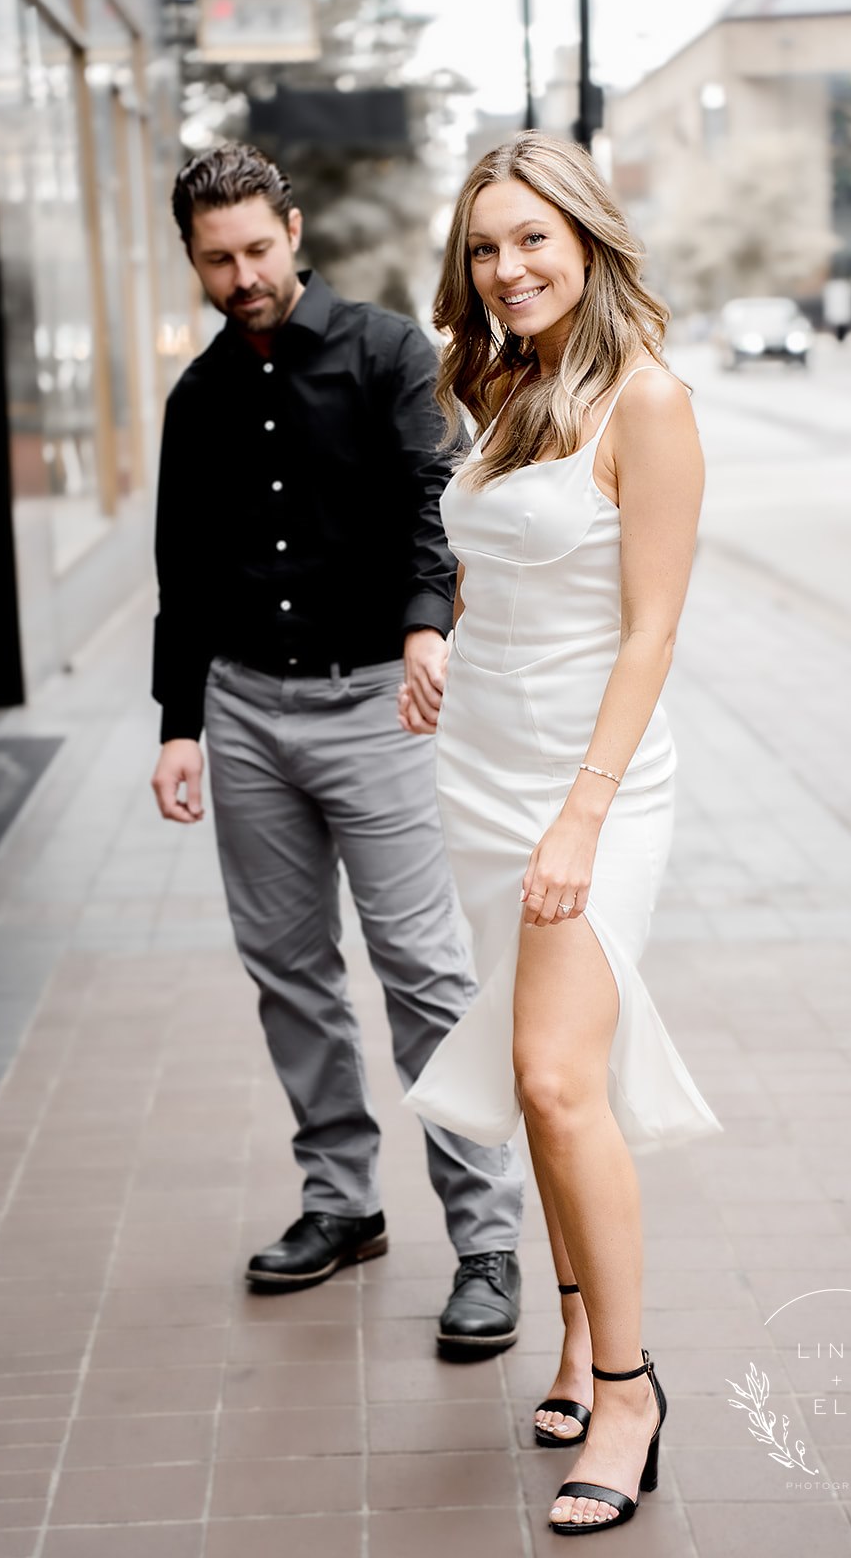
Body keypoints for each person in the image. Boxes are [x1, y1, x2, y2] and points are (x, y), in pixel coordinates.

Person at [150, 143, 523, 1357]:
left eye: (258, 249)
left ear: (292, 233)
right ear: (194, 261)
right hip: (247, 710)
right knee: (289, 969)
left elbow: (432, 500)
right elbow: (183, 576)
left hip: (377, 702)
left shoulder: (382, 352)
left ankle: (484, 1240)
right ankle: (340, 1203)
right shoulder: (196, 400)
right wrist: (178, 727)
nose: (242, 274)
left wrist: (428, 626)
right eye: (218, 259)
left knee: (421, 971)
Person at [399, 133, 722, 1534]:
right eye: (483, 246)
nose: (507, 268)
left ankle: (634, 1388)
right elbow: (510, 564)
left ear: (584, 238)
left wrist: (581, 816)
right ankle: (574, 1335)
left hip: (593, 782)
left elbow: (649, 627)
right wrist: (444, 640)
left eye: (529, 238)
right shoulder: (502, 384)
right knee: (541, 1079)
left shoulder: (645, 402)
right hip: (479, 766)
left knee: (550, 1075)